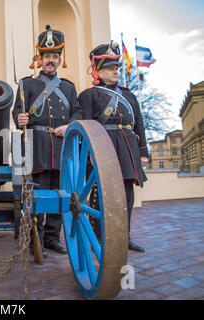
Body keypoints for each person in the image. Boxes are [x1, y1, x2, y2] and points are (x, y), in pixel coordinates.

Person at [12, 25, 82, 258]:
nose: (51, 61)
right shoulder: (26, 85)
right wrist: (19, 117)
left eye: (54, 57)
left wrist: (70, 125)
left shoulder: (69, 88)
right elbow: (17, 114)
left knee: (60, 195)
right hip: (37, 146)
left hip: (61, 148)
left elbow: (78, 114)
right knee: (37, 196)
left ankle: (52, 238)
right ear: (39, 60)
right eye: (47, 57)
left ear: (60, 60)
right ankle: (37, 239)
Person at [78, 41, 148, 252]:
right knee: (101, 193)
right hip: (103, 146)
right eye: (110, 68)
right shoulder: (88, 96)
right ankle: (99, 237)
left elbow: (139, 125)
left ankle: (124, 236)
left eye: (116, 67)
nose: (115, 71)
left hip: (127, 146)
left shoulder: (128, 96)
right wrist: (88, 152)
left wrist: (143, 152)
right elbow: (86, 127)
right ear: (99, 71)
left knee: (127, 193)